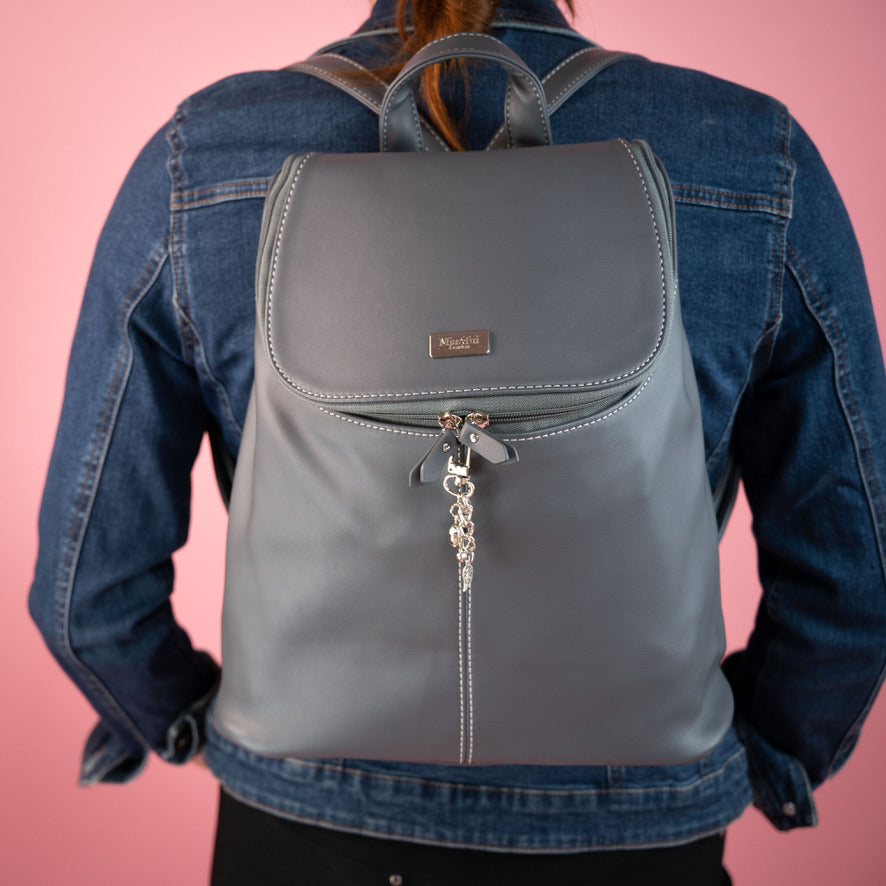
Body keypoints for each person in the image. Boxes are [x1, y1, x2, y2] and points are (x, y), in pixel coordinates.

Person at [29, 0, 886, 883]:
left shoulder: (204, 158)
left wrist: (197, 723)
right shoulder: (752, 156)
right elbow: (853, 575)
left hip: (297, 822)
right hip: (644, 825)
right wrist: (764, 754)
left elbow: (87, 593)